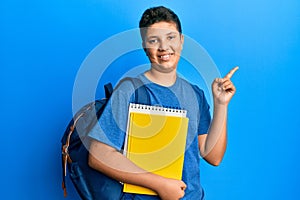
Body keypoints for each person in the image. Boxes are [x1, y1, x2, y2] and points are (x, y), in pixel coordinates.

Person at [88, 6, 238, 200]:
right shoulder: (129, 90)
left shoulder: (195, 94)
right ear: (144, 46)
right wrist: (159, 184)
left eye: (170, 37)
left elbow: (213, 156)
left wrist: (221, 105)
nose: (163, 47)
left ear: (181, 41)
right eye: (153, 40)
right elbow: (98, 155)